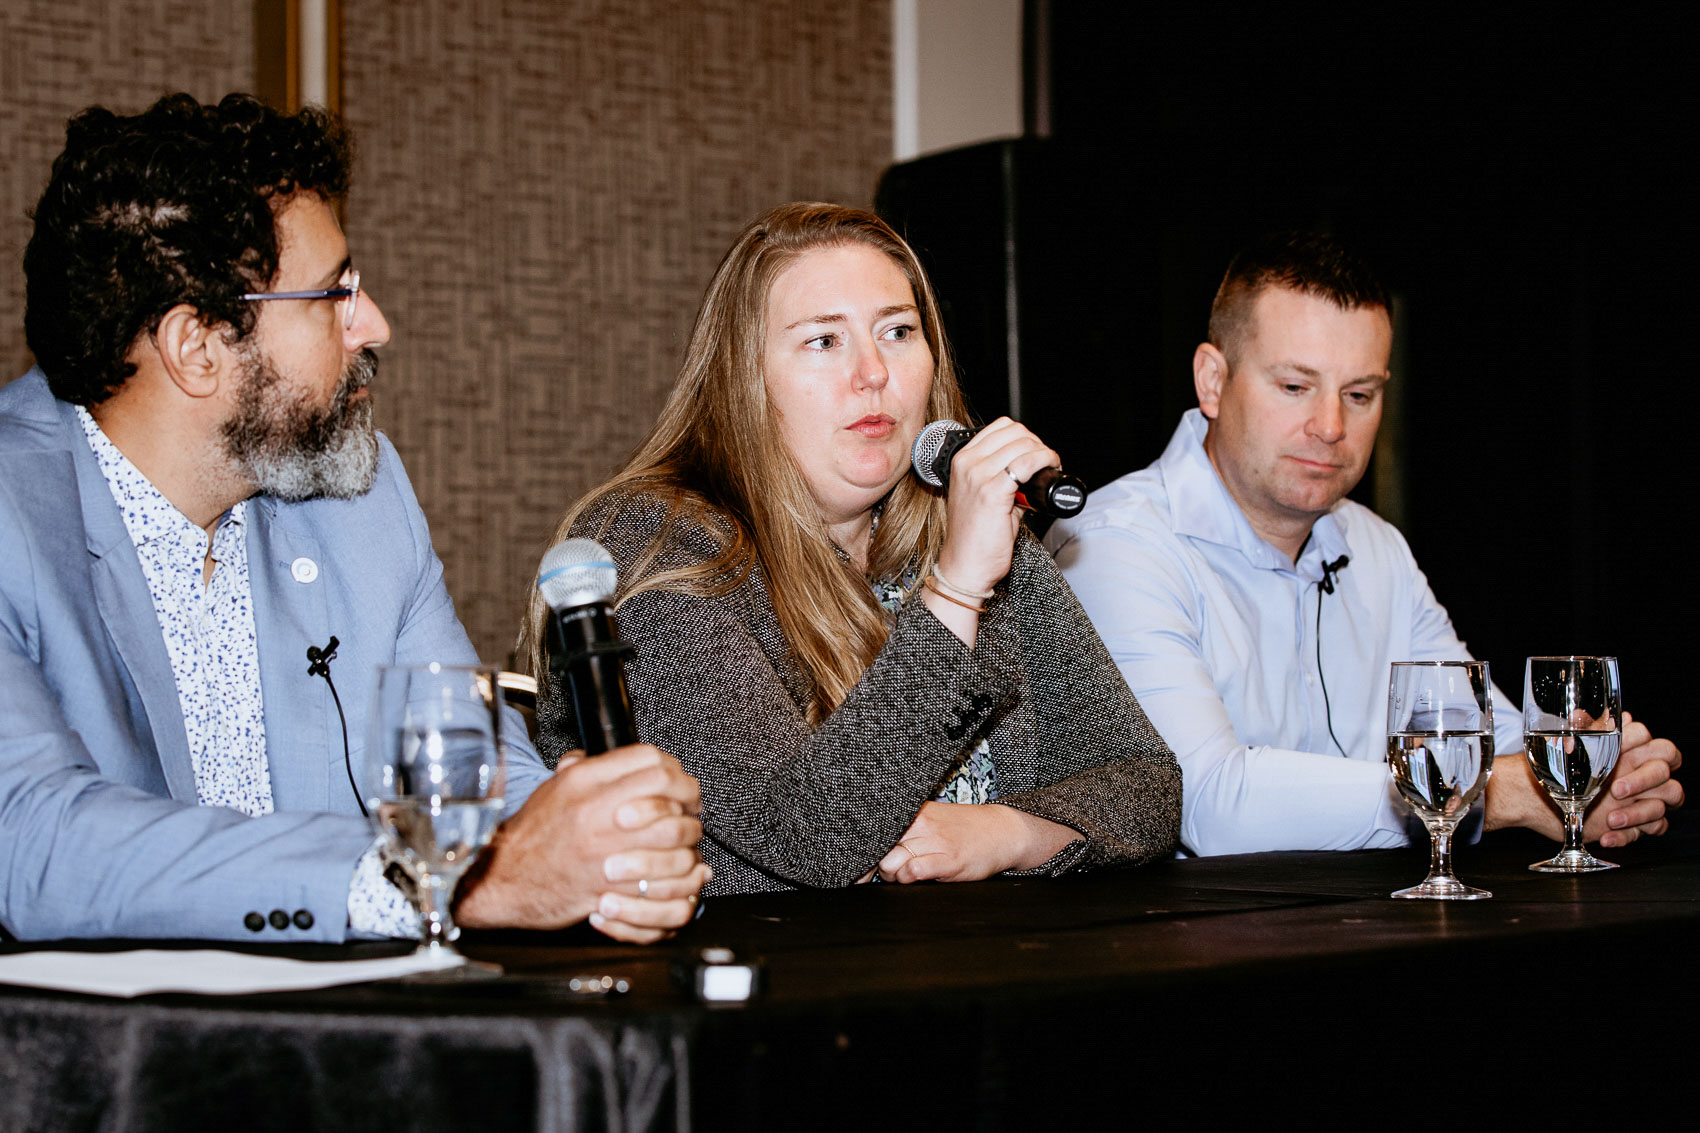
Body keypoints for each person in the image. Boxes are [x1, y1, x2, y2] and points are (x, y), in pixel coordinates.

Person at [0, 92, 707, 943]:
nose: (374, 325)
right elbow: (30, 840)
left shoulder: (361, 497)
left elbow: (473, 779)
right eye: (334, 294)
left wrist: (600, 848)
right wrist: (446, 881)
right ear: (197, 347)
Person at [522, 202, 1181, 895]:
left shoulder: (966, 530)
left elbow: (1147, 785)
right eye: (824, 341)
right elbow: (808, 838)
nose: (873, 372)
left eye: (897, 331)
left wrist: (1006, 834)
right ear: (745, 379)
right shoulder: (657, 543)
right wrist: (957, 591)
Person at [1045, 231, 1683, 856]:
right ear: (1212, 380)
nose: (1330, 426)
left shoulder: (1377, 547)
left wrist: (1593, 770)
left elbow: (1483, 734)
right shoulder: (1112, 546)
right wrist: (1491, 792)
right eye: (1295, 387)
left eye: (1359, 394)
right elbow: (1203, 803)